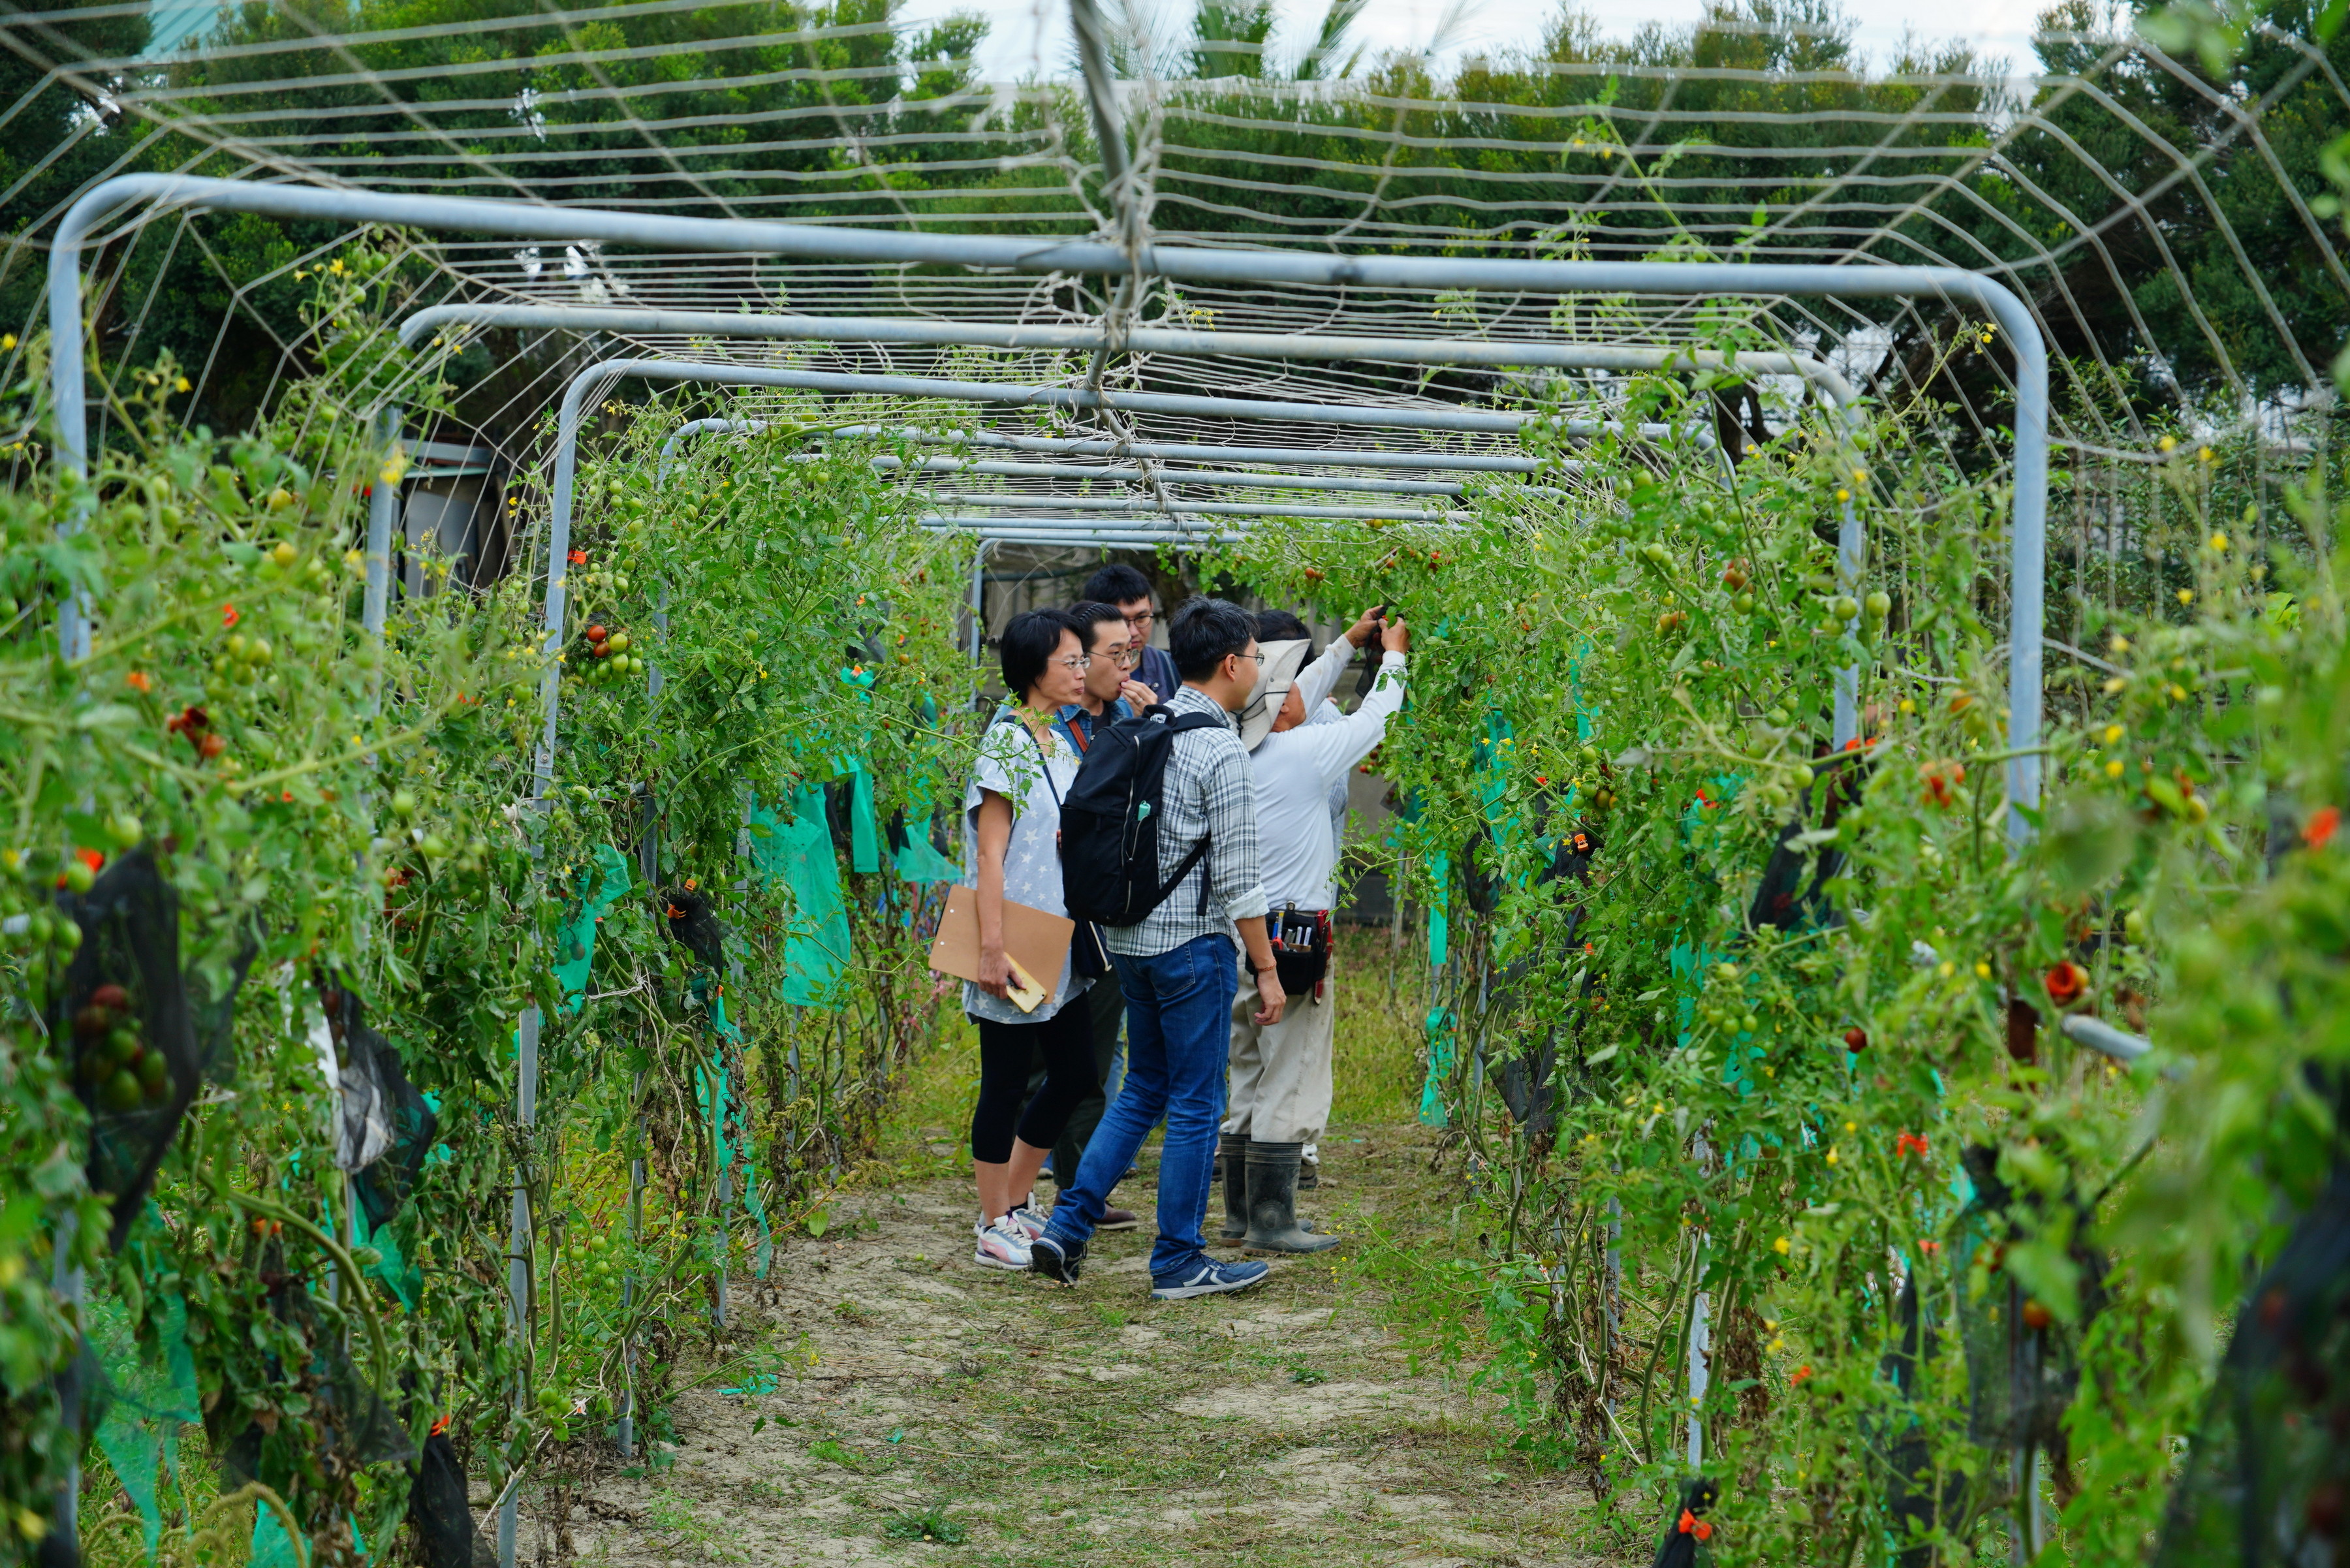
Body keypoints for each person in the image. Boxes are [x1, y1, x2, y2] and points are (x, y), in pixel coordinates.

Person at [1029, 597, 1287, 1301]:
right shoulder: (1220, 747)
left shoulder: (1151, 725)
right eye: (1258, 657)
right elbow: (1239, 880)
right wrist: (1266, 968)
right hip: (1191, 949)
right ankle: (1178, 1258)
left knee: (1143, 1086)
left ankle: (1068, 1221)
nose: (1261, 668)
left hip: (1132, 942)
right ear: (1232, 664)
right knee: (1198, 1099)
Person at [1222, 606, 1408, 1251]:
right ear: (1276, 701)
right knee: (1291, 1067)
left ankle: (1238, 1211)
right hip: (1294, 934)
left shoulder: (1234, 742)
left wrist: (1350, 642)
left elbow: (1303, 693)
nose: (1304, 692)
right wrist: (1396, 659)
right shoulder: (1299, 752)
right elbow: (1376, 719)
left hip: (1239, 928)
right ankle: (1274, 1219)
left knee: (1246, 1062)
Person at [958, 608, 1099, 1271]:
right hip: (1014, 938)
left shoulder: (1058, 740)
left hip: (1055, 936)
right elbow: (991, 854)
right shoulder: (1007, 742)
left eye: (1081, 659)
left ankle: (1012, 1203)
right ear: (1033, 667)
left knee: (1075, 1072)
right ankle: (992, 1223)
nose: (1081, 671)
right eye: (1070, 660)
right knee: (1007, 1079)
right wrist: (990, 946)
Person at [1029, 600, 1157, 1231]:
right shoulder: (1049, 728)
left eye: (1131, 653)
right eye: (1113, 655)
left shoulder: (1127, 720)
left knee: (1092, 1055)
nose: (1123, 666)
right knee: (1033, 1059)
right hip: (1046, 912)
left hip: (1101, 917)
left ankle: (1076, 1188)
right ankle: (1020, 1193)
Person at [1080, 563, 1180, 705]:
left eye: (1141, 618)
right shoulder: (1073, 681)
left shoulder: (1172, 669)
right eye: (1121, 620)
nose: (1133, 631)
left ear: (1151, 608)